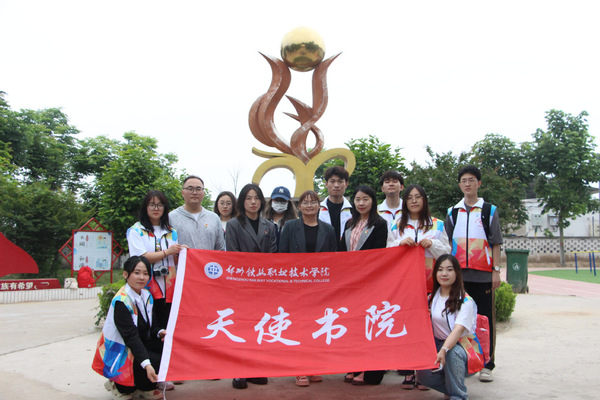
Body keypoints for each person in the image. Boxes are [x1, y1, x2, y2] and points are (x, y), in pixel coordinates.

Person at [388, 184, 451, 390]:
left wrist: (432, 244)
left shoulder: (437, 224)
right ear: (405, 202)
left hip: (431, 285)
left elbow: (447, 253)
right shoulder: (397, 225)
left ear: (424, 200)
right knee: (407, 327)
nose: (414, 201)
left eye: (418, 197)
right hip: (405, 286)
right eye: (410, 198)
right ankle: (408, 372)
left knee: (429, 328)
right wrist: (399, 244)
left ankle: (426, 373)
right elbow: (387, 252)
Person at [445, 165, 503, 383]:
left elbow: (496, 243)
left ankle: (487, 364)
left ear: (479, 183)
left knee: (484, 320)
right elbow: (446, 243)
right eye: (463, 180)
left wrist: (495, 271)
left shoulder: (489, 210)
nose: (467, 184)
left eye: (471, 180)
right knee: (459, 320)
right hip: (459, 277)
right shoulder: (453, 212)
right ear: (459, 185)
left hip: (483, 275)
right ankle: (465, 362)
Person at [279, 190, 337, 387]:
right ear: (299, 207)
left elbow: (334, 259)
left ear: (319, 206)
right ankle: (300, 369)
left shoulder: (328, 229)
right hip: (296, 286)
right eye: (305, 202)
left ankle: (315, 366)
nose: (309, 205)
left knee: (317, 327)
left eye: (313, 202)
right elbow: (282, 255)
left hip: (320, 288)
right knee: (299, 327)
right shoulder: (290, 227)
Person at [225, 183, 277, 389]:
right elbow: (233, 255)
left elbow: (273, 255)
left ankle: (255, 369)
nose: (253, 202)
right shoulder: (233, 225)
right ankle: (238, 371)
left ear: (262, 201)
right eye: (248, 198)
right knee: (241, 327)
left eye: (256, 198)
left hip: (264, 285)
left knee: (259, 327)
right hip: (242, 285)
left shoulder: (269, 225)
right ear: (242, 201)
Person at [93, 256, 166, 400]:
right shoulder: (121, 301)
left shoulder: (146, 295)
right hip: (121, 349)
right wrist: (147, 364)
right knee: (151, 361)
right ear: (126, 274)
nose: (142, 277)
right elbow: (131, 337)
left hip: (139, 343)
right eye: (137, 273)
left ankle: (145, 387)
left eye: (145, 273)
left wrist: (160, 332)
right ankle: (118, 385)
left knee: (167, 350)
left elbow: (153, 325)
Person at [339, 185, 388, 386]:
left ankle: (368, 369)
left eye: (365, 199)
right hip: (350, 283)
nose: (361, 203)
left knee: (368, 324)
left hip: (369, 282)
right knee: (353, 325)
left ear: (373, 201)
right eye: (358, 199)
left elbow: (378, 254)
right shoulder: (349, 223)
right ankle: (353, 365)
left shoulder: (380, 224)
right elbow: (342, 251)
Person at [416, 254, 478, 400]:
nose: (444, 274)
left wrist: (444, 349)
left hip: (463, 348)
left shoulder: (465, 301)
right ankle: (453, 386)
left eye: (449, 270)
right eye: (440, 270)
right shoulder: (432, 298)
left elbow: (458, 330)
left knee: (452, 353)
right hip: (437, 344)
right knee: (423, 376)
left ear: (457, 273)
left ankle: (458, 395)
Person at [126, 190, 184, 328]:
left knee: (166, 327)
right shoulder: (136, 230)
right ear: (145, 207)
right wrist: (167, 252)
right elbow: (140, 258)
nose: (156, 208)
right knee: (148, 327)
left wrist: (180, 253)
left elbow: (174, 261)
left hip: (169, 290)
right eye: (152, 205)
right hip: (145, 287)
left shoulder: (171, 232)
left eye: (160, 205)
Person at [169, 175, 225, 250]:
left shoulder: (214, 218)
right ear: (182, 192)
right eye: (190, 189)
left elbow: (220, 249)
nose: (195, 192)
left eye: (198, 189)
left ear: (203, 193)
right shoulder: (171, 218)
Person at [318, 166, 352, 240]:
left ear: (346, 184)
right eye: (332, 181)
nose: (336, 185)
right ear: (326, 184)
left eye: (340, 181)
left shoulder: (353, 209)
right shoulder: (317, 209)